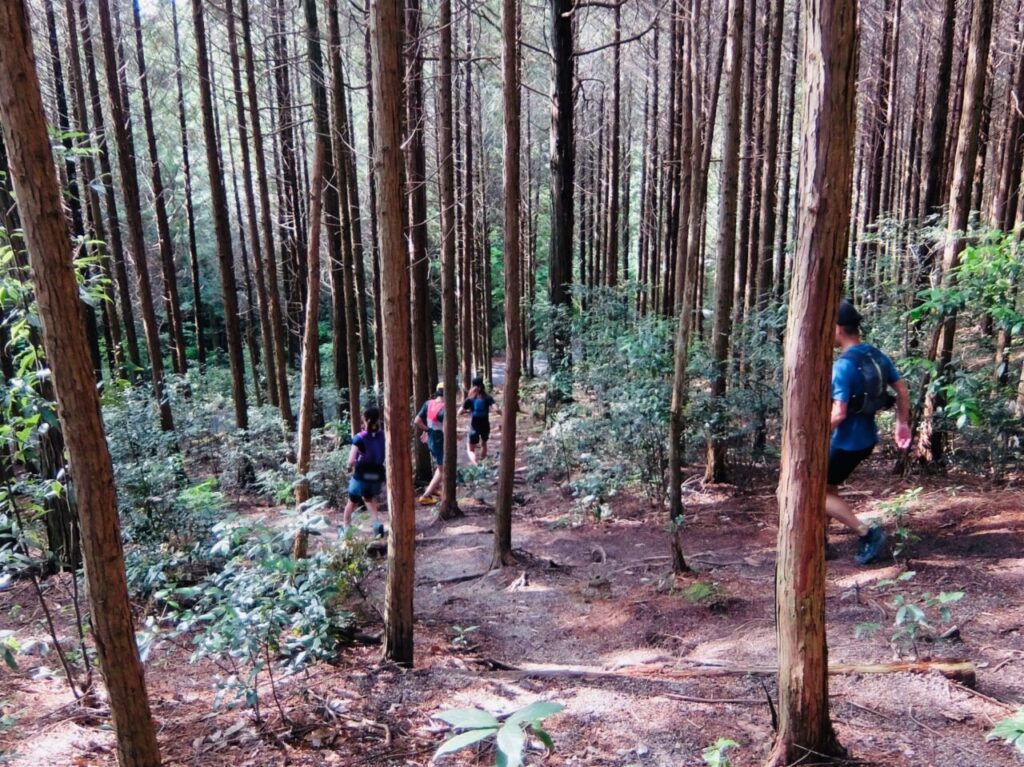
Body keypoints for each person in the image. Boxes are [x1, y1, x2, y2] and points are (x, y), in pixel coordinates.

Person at [827, 299, 912, 564]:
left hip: (845, 442)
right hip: (865, 439)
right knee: (828, 488)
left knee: (812, 492)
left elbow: (839, 413)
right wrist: (902, 423)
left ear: (838, 328)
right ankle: (821, 540)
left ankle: (866, 532)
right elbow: (901, 389)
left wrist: (810, 436)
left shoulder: (843, 366)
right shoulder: (876, 355)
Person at [342, 405, 386, 537]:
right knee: (368, 498)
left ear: (365, 419)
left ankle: (346, 529)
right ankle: (377, 525)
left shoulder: (359, 438)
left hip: (361, 476)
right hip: (378, 475)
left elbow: (350, 461)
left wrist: (352, 465)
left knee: (352, 501)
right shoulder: (383, 434)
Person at [414, 384, 446, 504]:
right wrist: (457, 436)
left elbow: (417, 420)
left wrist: (428, 430)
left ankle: (433, 489)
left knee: (440, 467)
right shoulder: (443, 408)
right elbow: (445, 429)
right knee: (443, 469)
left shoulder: (428, 403)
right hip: (440, 441)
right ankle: (426, 496)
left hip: (431, 440)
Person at [461, 376, 499, 464]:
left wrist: (466, 411)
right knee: (484, 443)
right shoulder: (487, 397)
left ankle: (476, 464)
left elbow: (460, 411)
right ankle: (483, 463)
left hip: (474, 425)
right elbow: (496, 409)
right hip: (485, 424)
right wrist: (502, 414)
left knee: (470, 449)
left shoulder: (470, 398)